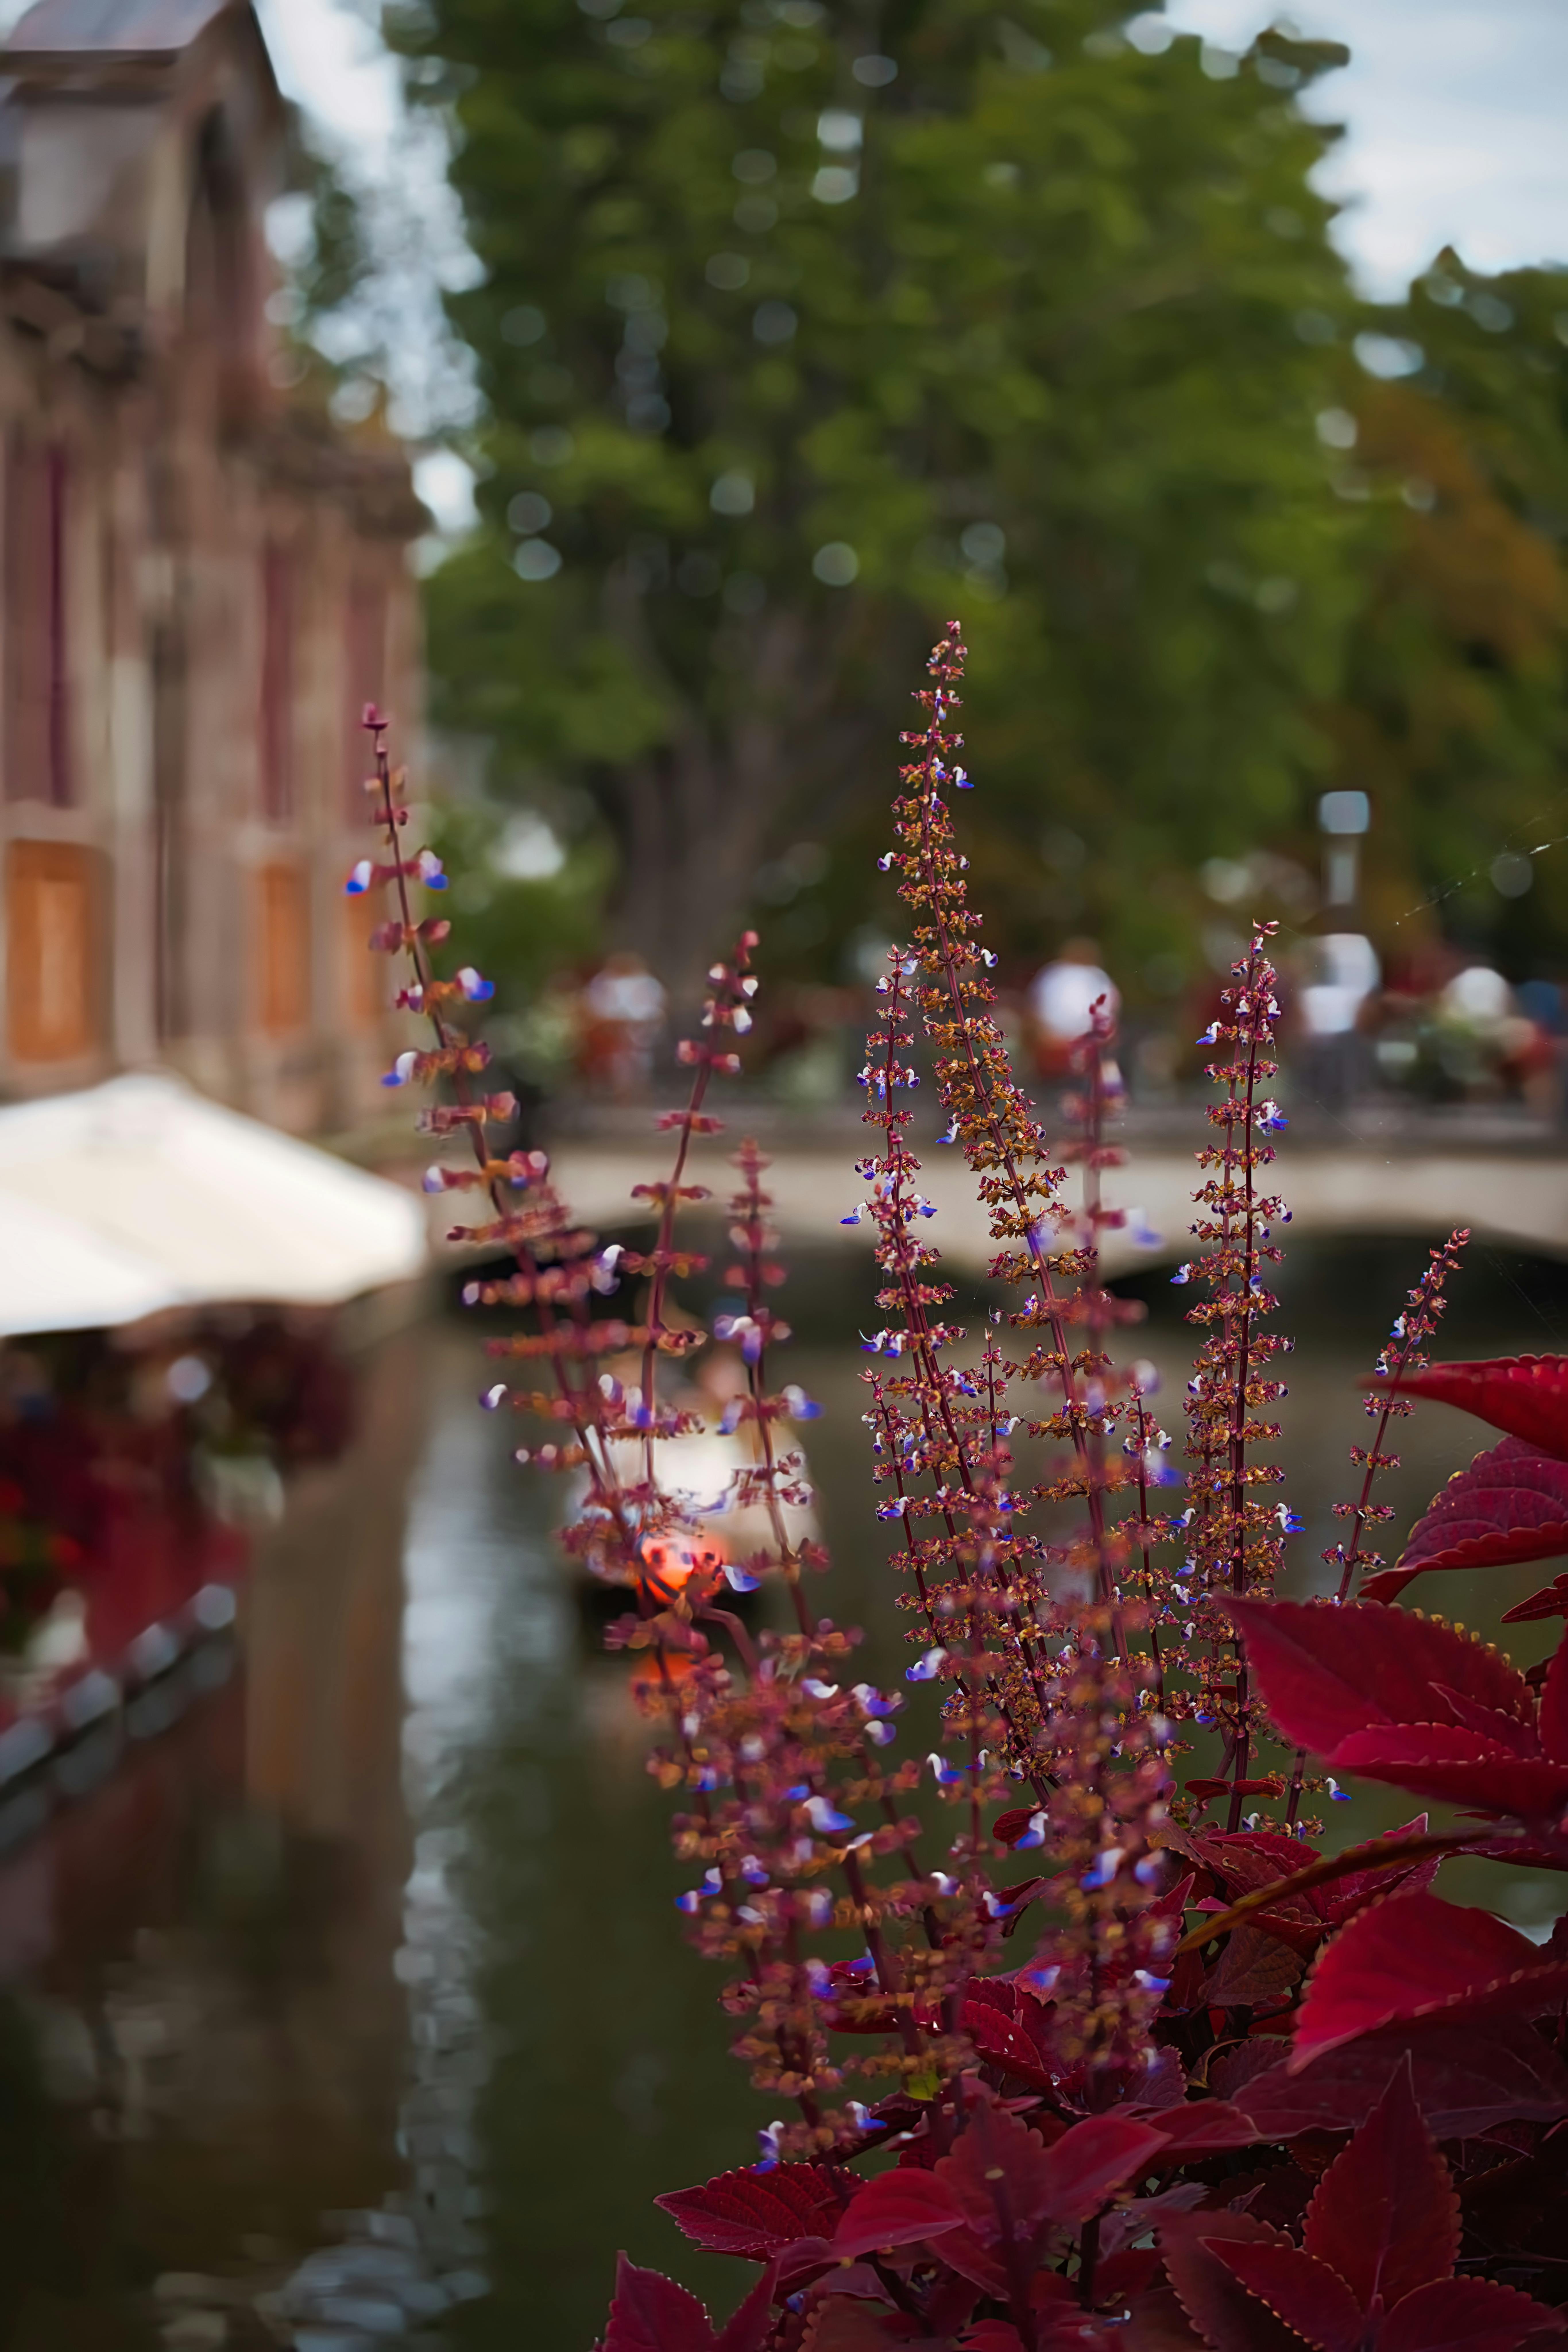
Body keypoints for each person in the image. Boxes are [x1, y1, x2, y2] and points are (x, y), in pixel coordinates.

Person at [1027, 940, 1119, 1082]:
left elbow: (1111, 1008)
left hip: (1087, 1044)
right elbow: (1035, 1005)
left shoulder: (1097, 976)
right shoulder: (1053, 973)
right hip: (1053, 1042)